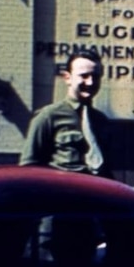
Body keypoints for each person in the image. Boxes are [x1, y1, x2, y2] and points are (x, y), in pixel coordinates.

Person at [20, 50, 113, 179]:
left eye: (95, 77)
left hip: (96, 194)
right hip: (62, 194)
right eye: (84, 76)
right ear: (67, 78)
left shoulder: (101, 121)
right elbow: (29, 167)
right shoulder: (48, 116)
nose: (90, 82)